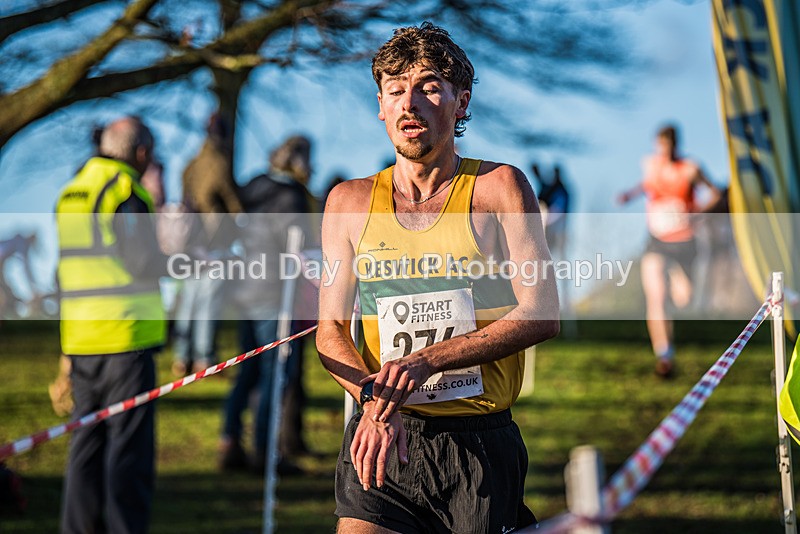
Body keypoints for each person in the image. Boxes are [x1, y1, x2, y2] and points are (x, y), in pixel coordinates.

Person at [316, 23, 559, 533]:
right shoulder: (348, 202)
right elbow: (330, 331)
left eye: (428, 86)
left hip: (477, 442)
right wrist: (373, 401)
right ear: (380, 106)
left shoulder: (500, 188)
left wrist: (427, 361)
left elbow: (541, 311)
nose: (410, 103)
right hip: (384, 430)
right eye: (396, 89)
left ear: (460, 101)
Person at [56, 116, 168, 533]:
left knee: (84, 446)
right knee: (127, 453)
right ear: (141, 152)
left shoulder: (73, 190)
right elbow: (141, 262)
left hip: (80, 337)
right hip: (125, 336)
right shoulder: (124, 190)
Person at [220, 135, 313, 473]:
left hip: (245, 288)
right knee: (276, 375)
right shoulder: (291, 197)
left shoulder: (253, 186)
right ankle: (264, 453)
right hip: (275, 292)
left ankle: (228, 439)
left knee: (248, 371)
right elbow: (300, 248)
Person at [617, 124, 721, 377]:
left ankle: (676, 288)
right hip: (657, 241)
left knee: (684, 298)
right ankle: (664, 355)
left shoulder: (691, 168)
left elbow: (716, 193)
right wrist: (629, 195)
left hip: (685, 242)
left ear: (676, 145)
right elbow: (646, 185)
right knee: (657, 296)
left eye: (668, 146)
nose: (664, 151)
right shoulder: (650, 164)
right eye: (660, 146)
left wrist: (698, 215)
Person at [172, 113, 242, 376]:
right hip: (215, 240)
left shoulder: (191, 164)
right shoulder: (219, 161)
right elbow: (230, 198)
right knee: (207, 305)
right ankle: (203, 360)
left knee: (188, 302)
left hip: (192, 241)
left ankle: (181, 359)